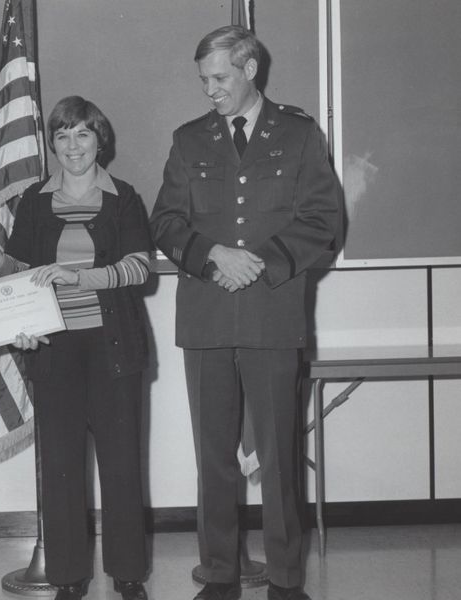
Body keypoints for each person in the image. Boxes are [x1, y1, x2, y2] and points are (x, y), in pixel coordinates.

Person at [150, 26, 341, 600]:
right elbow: (165, 222)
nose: (210, 89)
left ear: (250, 68)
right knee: (213, 459)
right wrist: (212, 256)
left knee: (280, 458)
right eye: (204, 79)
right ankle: (219, 575)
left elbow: (323, 221)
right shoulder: (188, 140)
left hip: (273, 315)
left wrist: (257, 263)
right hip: (207, 320)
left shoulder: (300, 133)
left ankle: (285, 579)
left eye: (221, 78)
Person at [0, 96, 152, 600]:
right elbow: (15, 269)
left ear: (99, 139)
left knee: (122, 464)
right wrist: (14, 311)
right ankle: (67, 577)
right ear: (52, 144)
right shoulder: (35, 202)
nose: (72, 145)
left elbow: (139, 267)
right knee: (59, 468)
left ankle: (127, 574)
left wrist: (78, 277)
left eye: (82, 134)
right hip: (54, 352)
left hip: (115, 348)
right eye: (61, 135)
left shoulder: (124, 197)